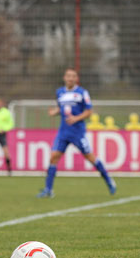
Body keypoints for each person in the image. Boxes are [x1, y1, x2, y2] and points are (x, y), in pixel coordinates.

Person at [37, 68, 116, 198]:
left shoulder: (82, 92)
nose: (70, 78)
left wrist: (76, 118)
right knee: (53, 157)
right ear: (64, 77)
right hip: (63, 131)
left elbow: (89, 111)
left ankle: (109, 181)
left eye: (73, 76)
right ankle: (48, 190)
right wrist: (54, 112)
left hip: (78, 132)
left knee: (90, 157)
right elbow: (61, 108)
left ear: (76, 79)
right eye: (68, 76)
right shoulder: (60, 92)